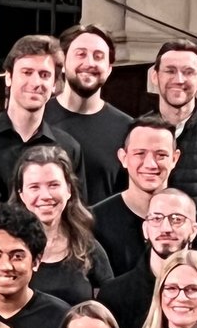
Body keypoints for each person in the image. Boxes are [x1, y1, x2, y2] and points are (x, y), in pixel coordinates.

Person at [92, 120, 197, 280]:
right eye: (140, 154)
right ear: (123, 157)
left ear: (174, 159)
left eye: (161, 155)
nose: (150, 164)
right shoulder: (94, 222)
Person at [9, 143, 113, 308]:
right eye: (34, 187)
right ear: (21, 194)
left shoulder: (87, 248)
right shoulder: (5, 250)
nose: (45, 195)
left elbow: (108, 308)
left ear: (69, 189)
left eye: (53, 185)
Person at [99, 189, 197, 328]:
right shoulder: (114, 295)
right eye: (156, 219)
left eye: (177, 219)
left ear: (193, 230)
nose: (166, 228)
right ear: (145, 229)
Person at [45, 23, 135, 203]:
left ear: (109, 69)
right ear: (62, 64)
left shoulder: (128, 129)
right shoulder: (38, 118)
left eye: (98, 56)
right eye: (81, 54)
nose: (89, 63)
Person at [141, 40, 197, 206]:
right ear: (155, 76)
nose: (179, 80)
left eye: (188, 72)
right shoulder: (135, 134)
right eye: (170, 71)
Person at [0, 33, 62, 192]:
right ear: (8, 77)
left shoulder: (68, 147)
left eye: (44, 75)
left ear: (54, 84)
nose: (35, 83)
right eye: (27, 72)